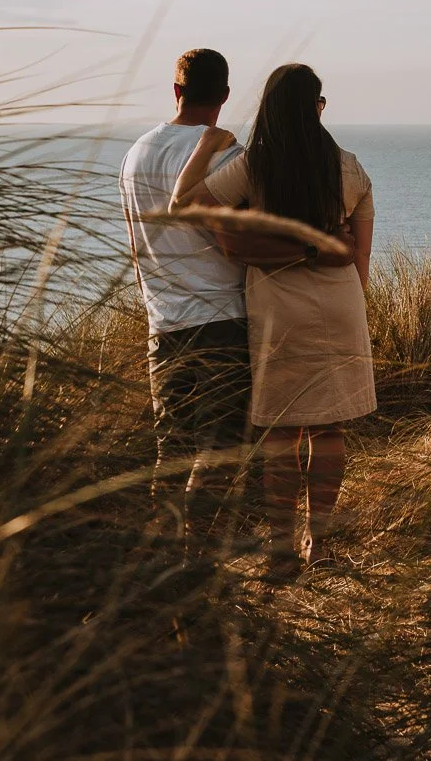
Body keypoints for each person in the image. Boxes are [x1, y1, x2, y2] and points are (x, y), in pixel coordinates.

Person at [170, 63, 376, 576]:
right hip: (340, 306)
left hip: (280, 308)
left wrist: (206, 153)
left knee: (282, 434)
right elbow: (359, 260)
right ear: (316, 106)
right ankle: (320, 545)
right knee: (329, 431)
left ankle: (282, 549)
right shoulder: (349, 167)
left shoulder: (256, 166)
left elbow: (190, 207)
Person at [120, 48, 262, 537]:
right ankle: (196, 553)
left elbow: (135, 242)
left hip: (164, 323)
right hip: (225, 317)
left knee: (171, 449)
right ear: (224, 95)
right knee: (222, 448)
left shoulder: (136, 153)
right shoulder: (229, 154)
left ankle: (168, 555)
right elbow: (239, 242)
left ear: (176, 90)